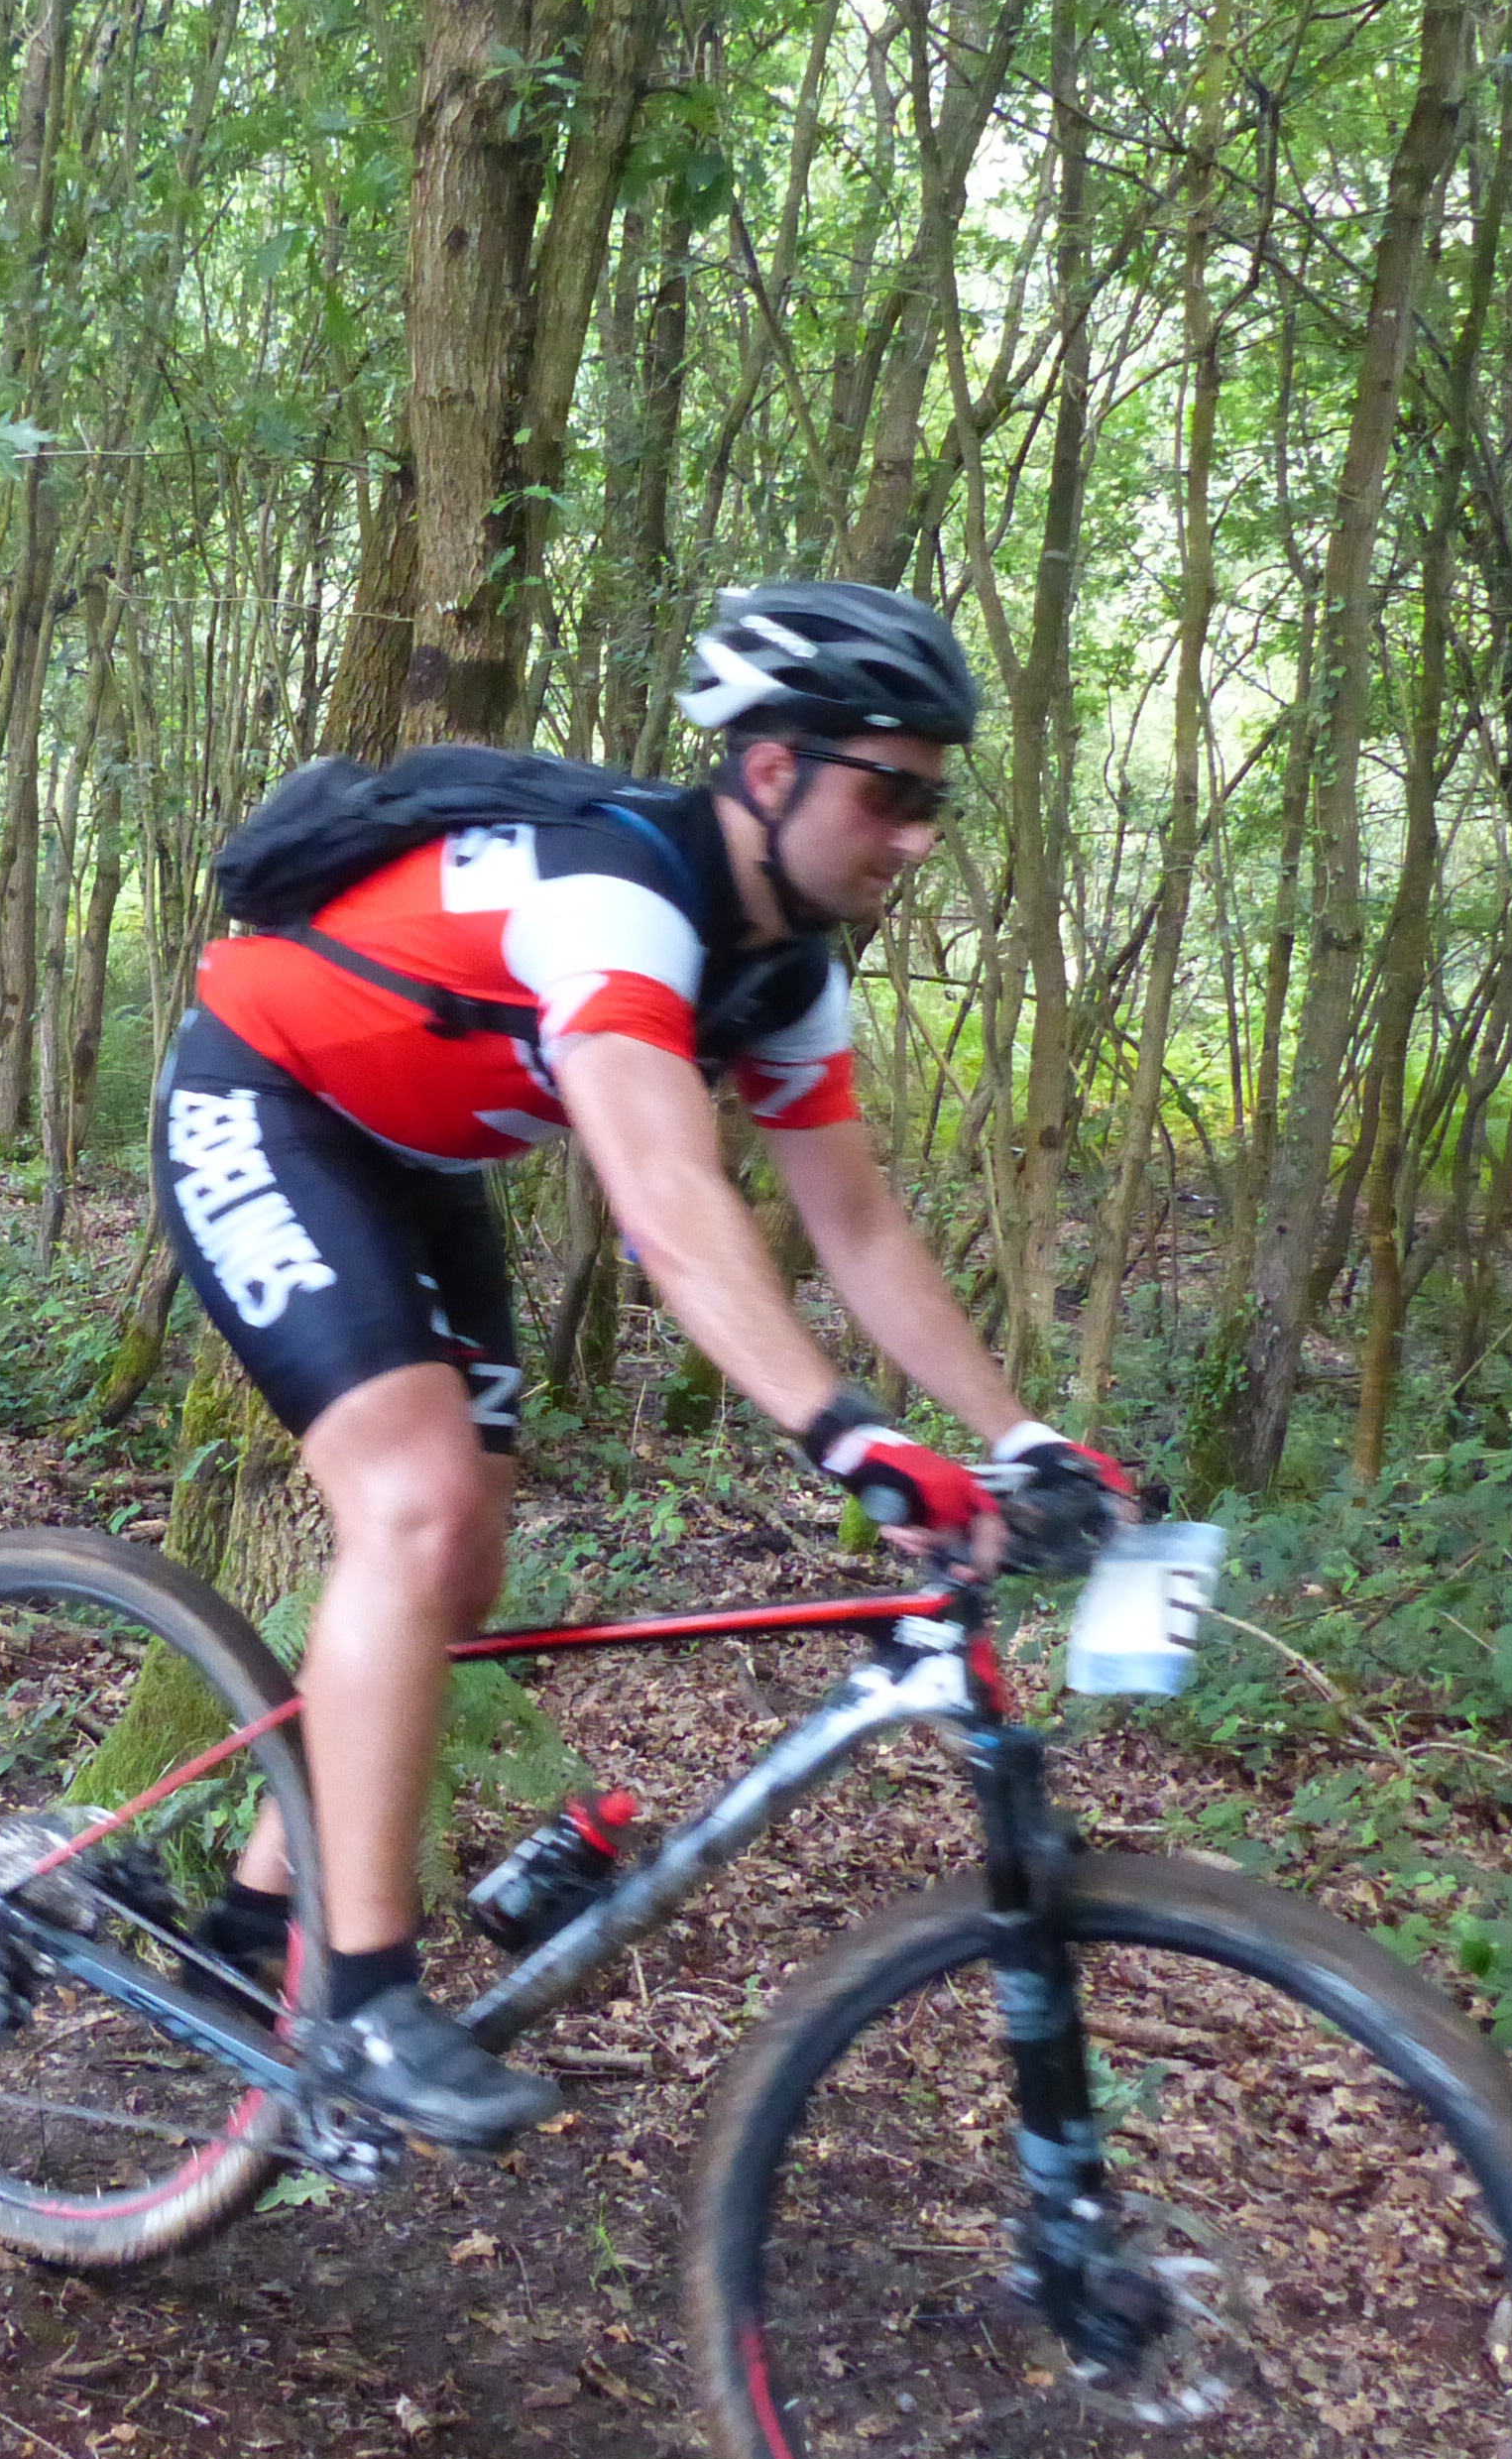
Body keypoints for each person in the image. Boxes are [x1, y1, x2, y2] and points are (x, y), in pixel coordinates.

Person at [151, 580, 1134, 2151]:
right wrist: (846, 1436)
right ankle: (358, 2001)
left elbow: (859, 1229)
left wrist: (1018, 1436)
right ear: (771, 770)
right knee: (413, 1511)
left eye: (933, 803)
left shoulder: (787, 974)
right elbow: (669, 1206)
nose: (914, 836)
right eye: (888, 792)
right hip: (265, 1098)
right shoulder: (617, 901)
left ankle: (256, 1914)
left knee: (460, 1561)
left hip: (421, 1160)